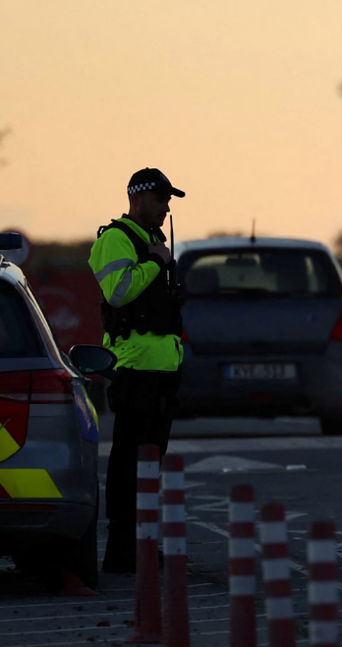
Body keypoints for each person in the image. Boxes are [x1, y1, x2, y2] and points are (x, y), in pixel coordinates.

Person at [88, 168, 186, 573]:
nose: (166, 208)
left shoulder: (153, 242)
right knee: (129, 464)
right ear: (138, 198)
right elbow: (119, 290)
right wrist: (154, 262)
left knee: (150, 465)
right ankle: (122, 551)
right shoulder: (116, 239)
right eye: (161, 199)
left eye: (168, 201)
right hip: (135, 371)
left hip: (162, 371)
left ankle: (143, 546)